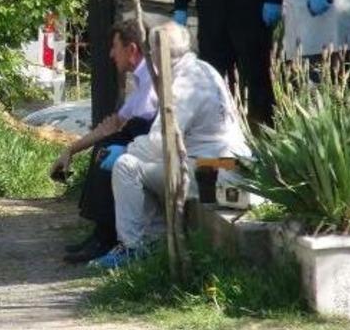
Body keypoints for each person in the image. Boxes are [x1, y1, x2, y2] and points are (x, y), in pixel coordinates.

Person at [94, 22, 251, 269]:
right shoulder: (203, 69)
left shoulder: (182, 85)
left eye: (152, 52)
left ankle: (134, 248)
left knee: (127, 167)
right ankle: (155, 243)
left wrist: (126, 150)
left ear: (158, 54)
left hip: (214, 170)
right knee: (150, 167)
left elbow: (162, 141)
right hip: (229, 164)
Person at [49, 19, 157, 264]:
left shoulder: (152, 81)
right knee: (106, 146)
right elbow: (113, 124)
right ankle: (101, 233)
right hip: (145, 139)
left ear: (131, 49)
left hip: (156, 146)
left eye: (114, 46)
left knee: (109, 150)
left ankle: (106, 238)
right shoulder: (142, 81)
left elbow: (122, 126)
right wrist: (70, 149)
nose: (110, 54)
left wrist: (115, 137)